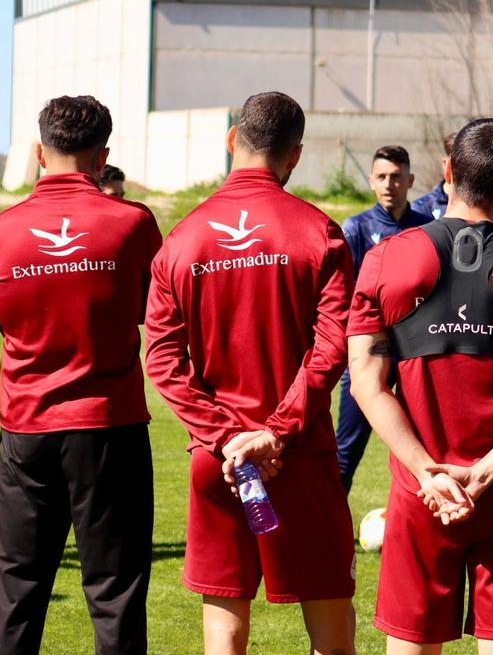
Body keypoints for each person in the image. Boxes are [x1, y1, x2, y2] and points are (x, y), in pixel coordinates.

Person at [347, 117, 493, 654]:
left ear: (446, 173)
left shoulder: (386, 260)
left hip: (421, 493)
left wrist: (427, 472)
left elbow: (365, 380)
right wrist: (484, 474)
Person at [145, 91, 356, 655]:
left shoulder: (182, 239)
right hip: (300, 454)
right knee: (329, 618)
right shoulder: (320, 232)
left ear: (231, 139)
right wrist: (277, 430)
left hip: (219, 462)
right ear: (296, 155)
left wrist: (227, 438)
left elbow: (162, 361)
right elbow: (334, 346)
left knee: (225, 622)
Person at [0, 95, 162, 655]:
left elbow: (3, 318)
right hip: (108, 428)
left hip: (26, 428)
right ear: (102, 155)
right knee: (116, 592)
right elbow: (148, 310)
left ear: (39, 152)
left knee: (16, 592)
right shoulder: (132, 224)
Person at [335, 145, 431, 491]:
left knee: (423, 447)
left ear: (410, 180)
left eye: (396, 176)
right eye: (381, 177)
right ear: (371, 182)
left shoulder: (428, 228)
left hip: (416, 354)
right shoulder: (357, 228)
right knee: (346, 450)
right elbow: (342, 293)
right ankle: (328, 534)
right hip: (368, 354)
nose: (389, 184)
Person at [412, 131, 493, 233]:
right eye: (461, 163)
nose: (468, 169)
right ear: (447, 165)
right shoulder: (421, 209)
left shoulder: (491, 208)